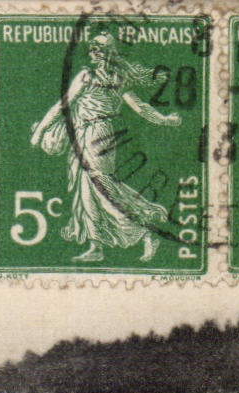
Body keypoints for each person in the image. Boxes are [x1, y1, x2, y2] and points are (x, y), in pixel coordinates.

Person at [29, 33, 183, 263]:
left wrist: (40, 131)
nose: (91, 53)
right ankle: (97, 246)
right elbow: (140, 108)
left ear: (105, 53)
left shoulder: (89, 76)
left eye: (96, 49)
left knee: (100, 189)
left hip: (94, 135)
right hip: (93, 135)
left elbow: (63, 105)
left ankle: (144, 229)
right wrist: (165, 120)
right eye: (92, 49)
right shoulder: (115, 78)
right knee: (88, 190)